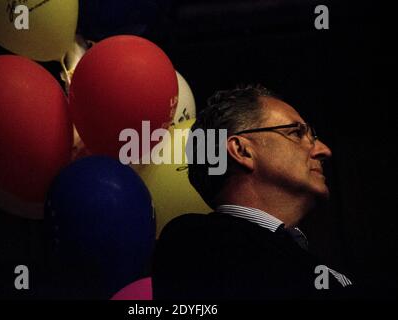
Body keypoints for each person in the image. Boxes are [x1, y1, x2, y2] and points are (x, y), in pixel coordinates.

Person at [152, 84, 356, 299]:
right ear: (242, 150)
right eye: (297, 132)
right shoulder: (195, 244)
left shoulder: (312, 265)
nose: (324, 150)